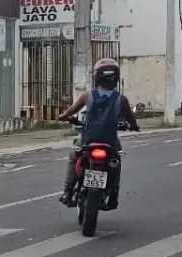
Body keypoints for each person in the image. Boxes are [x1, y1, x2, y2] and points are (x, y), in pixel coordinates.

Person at [56, 58, 140, 210]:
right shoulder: (121, 100)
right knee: (116, 162)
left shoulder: (87, 96)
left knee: (73, 156)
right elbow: (130, 119)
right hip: (110, 141)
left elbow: (71, 111)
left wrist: (63, 117)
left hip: (88, 140)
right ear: (116, 79)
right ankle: (114, 195)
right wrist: (133, 126)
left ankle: (67, 192)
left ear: (97, 77)